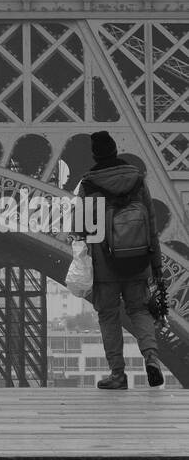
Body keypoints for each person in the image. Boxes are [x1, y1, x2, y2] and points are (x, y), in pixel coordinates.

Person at [78, 130, 165, 389]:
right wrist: (157, 264)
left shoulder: (88, 185)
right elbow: (151, 225)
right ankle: (151, 357)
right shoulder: (137, 181)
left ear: (94, 154)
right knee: (139, 310)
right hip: (138, 259)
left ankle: (118, 374)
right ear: (116, 151)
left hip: (104, 265)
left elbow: (80, 228)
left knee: (108, 316)